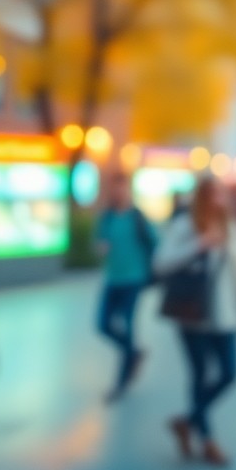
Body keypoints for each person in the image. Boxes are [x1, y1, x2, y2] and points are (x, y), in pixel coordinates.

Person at [154, 175, 236, 469]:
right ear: (201, 198)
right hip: (192, 316)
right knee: (199, 375)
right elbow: (161, 263)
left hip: (226, 317)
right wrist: (198, 244)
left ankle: (186, 421)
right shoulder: (183, 227)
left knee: (230, 373)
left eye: (222, 194)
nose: (219, 200)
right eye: (212, 195)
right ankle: (208, 440)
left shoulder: (235, 230)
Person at [95, 173, 158, 403]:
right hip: (112, 278)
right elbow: (100, 241)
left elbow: (154, 242)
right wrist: (102, 248)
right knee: (103, 324)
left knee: (127, 327)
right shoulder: (107, 217)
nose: (117, 193)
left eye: (121, 188)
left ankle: (121, 382)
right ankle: (133, 353)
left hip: (134, 279)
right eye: (114, 188)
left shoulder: (137, 217)